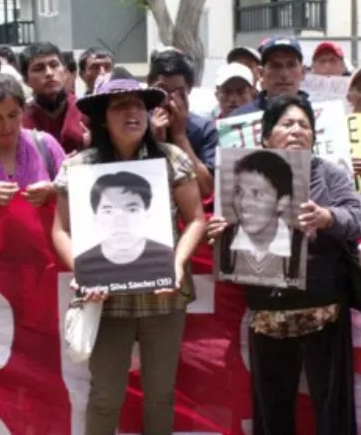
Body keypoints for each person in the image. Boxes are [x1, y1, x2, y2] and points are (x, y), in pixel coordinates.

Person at [52, 77, 206, 435]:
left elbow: (196, 219)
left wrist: (177, 263)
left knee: (160, 395)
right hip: (105, 300)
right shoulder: (78, 166)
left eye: (138, 105)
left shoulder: (172, 159)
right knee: (105, 394)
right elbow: (60, 229)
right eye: (120, 106)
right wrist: (85, 271)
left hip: (163, 295)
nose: (132, 112)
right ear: (103, 118)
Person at [208, 94, 361, 435]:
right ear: (265, 136)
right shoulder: (240, 178)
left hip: (325, 309)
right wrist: (221, 231)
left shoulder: (330, 175)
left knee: (331, 410)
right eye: (287, 123)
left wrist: (328, 217)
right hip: (269, 313)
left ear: (314, 136)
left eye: (304, 125)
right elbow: (235, 240)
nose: (296, 130)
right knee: (272, 410)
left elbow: (357, 216)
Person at [75, 171, 175, 292]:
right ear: (95, 216)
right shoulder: (84, 263)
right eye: (108, 211)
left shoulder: (167, 259)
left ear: (147, 214)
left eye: (132, 210)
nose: (120, 220)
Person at [220, 150, 302, 287]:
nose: (243, 203)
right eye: (239, 192)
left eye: (257, 194)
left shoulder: (300, 244)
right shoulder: (223, 239)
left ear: (282, 202)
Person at [147, 49, 218, 198]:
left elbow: (207, 189)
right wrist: (155, 141)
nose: (168, 99)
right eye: (162, 90)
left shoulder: (205, 129)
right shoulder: (137, 125)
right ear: (149, 83)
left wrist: (180, 136)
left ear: (189, 89)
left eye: (177, 92)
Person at [0, 73, 65, 206]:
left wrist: (53, 190)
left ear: (23, 111)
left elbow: (77, 188)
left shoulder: (45, 144)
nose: (7, 126)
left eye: (13, 115)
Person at [20, 42, 89, 154]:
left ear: (65, 72)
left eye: (54, 65)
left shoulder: (85, 109)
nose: (49, 73)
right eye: (39, 68)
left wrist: (89, 150)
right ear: (26, 80)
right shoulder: (20, 119)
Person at [231, 37, 306, 115]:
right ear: (261, 73)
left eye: (291, 65)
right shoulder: (240, 117)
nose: (284, 74)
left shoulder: (317, 116)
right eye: (276, 66)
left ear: (303, 72)